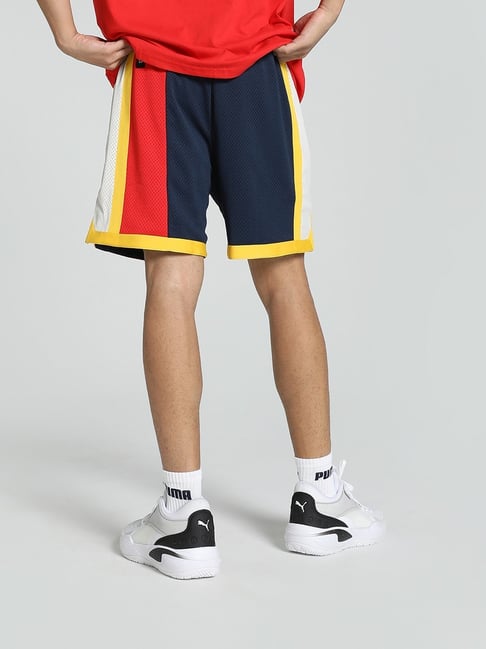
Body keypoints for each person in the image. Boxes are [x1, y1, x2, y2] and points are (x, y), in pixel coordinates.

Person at [36, 0, 385, 580]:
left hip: (157, 72)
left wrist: (64, 32)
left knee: (171, 280)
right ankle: (320, 500)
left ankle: (183, 518)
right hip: (255, 63)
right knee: (283, 276)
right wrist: (328, 12)